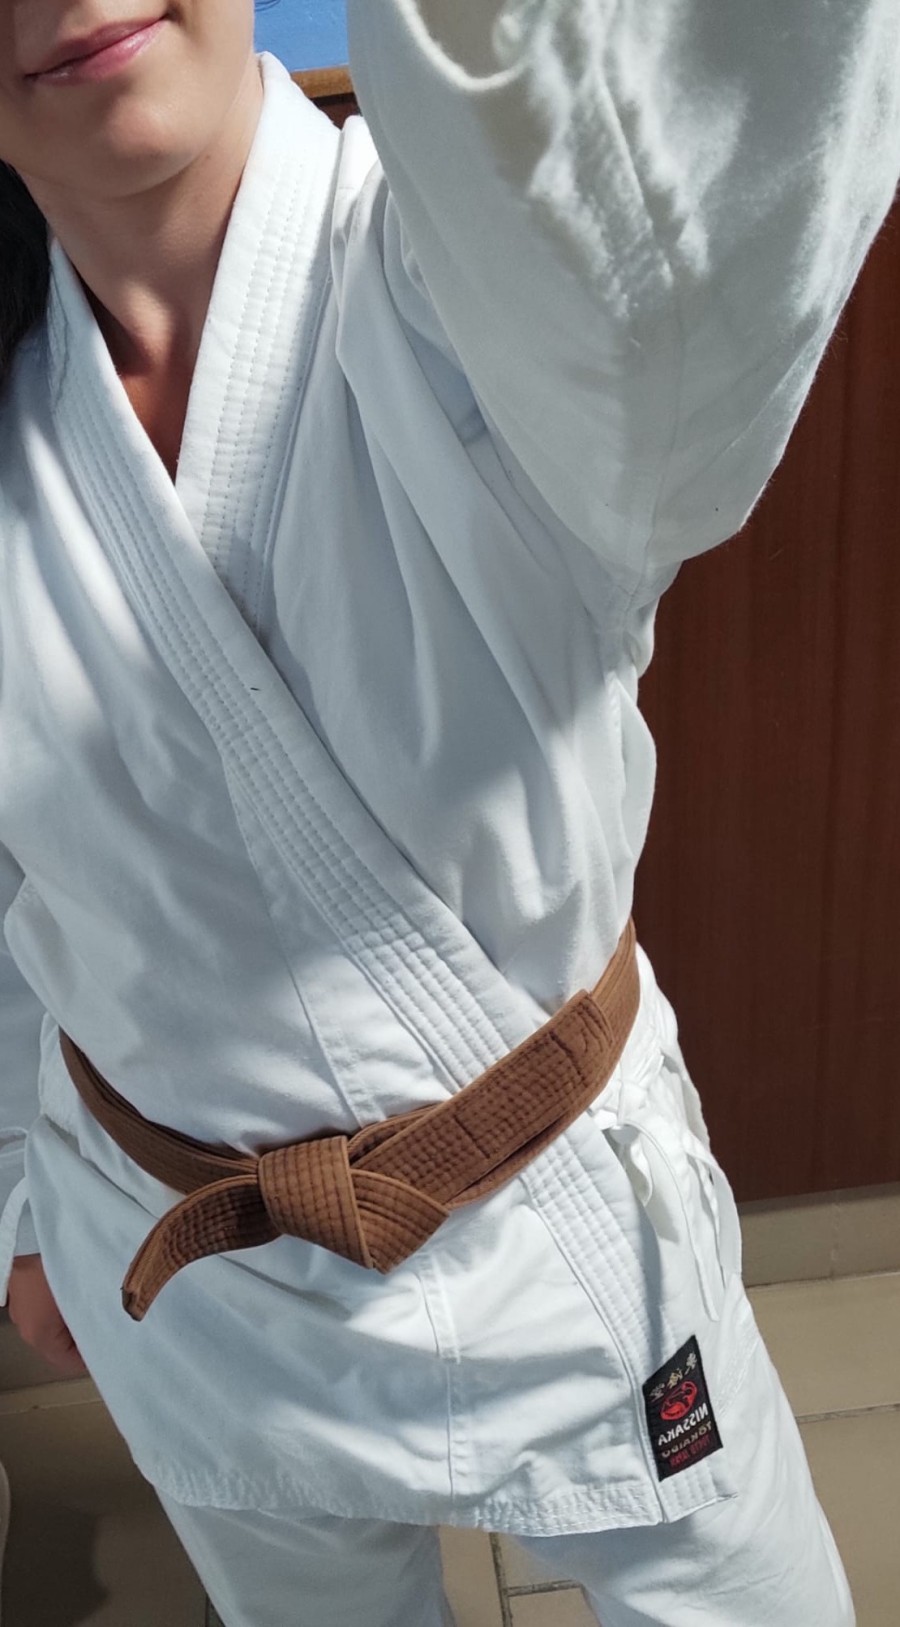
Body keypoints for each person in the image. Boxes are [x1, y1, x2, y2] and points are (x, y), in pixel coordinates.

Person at [0, 3, 897, 1624]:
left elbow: (680, 179)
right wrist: (16, 1188)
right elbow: (26, 888)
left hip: (551, 1249)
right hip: (183, 1273)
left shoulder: (483, 286)